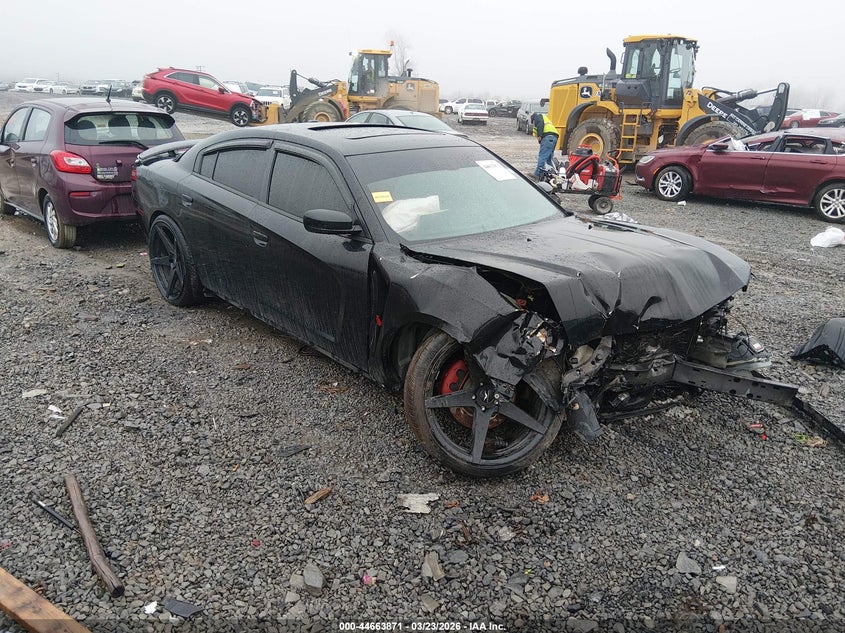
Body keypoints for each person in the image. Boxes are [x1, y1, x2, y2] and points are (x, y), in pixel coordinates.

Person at [531, 111, 559, 180]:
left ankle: (537, 174)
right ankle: (554, 175)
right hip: (554, 137)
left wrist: (539, 135)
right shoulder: (545, 118)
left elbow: (540, 124)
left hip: (547, 137)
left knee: (542, 157)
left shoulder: (538, 117)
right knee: (549, 159)